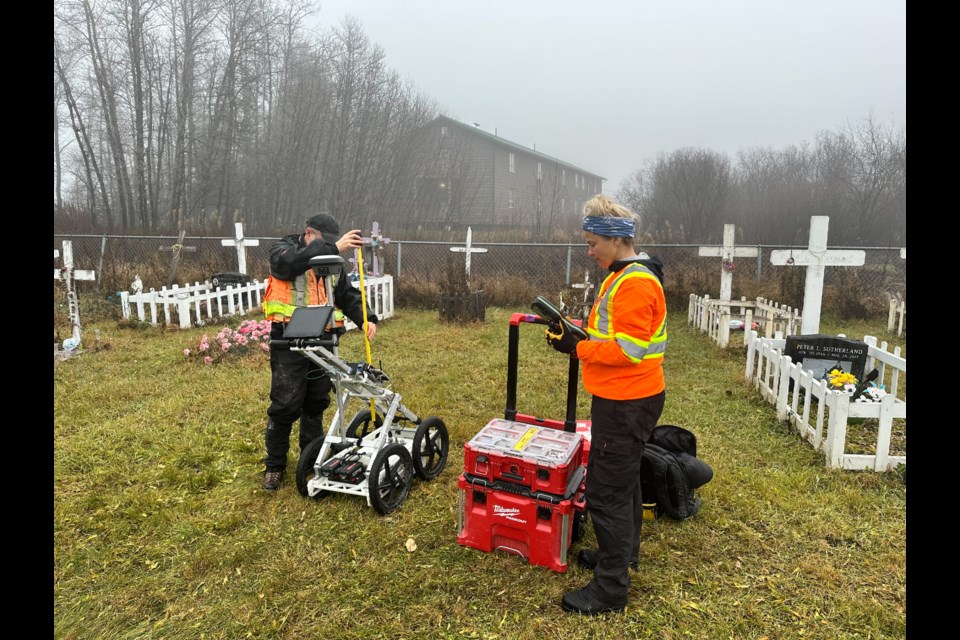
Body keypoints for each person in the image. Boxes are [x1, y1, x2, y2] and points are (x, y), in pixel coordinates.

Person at [545, 194, 667, 615]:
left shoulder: (634, 281)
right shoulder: (624, 275)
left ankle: (612, 586)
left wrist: (578, 350)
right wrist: (575, 335)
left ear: (616, 241)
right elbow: (611, 334)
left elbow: (629, 349)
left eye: (593, 242)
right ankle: (622, 554)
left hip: (626, 400)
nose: (589, 250)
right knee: (625, 480)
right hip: (626, 397)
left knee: (606, 491)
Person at [260, 213, 378, 491]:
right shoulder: (283, 250)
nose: (330, 248)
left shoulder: (332, 262)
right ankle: (274, 466)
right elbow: (290, 264)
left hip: (323, 341)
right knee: (285, 404)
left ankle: (310, 456)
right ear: (309, 233)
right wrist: (334, 249)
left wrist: (365, 318)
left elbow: (346, 294)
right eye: (326, 243)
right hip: (288, 342)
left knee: (316, 401)